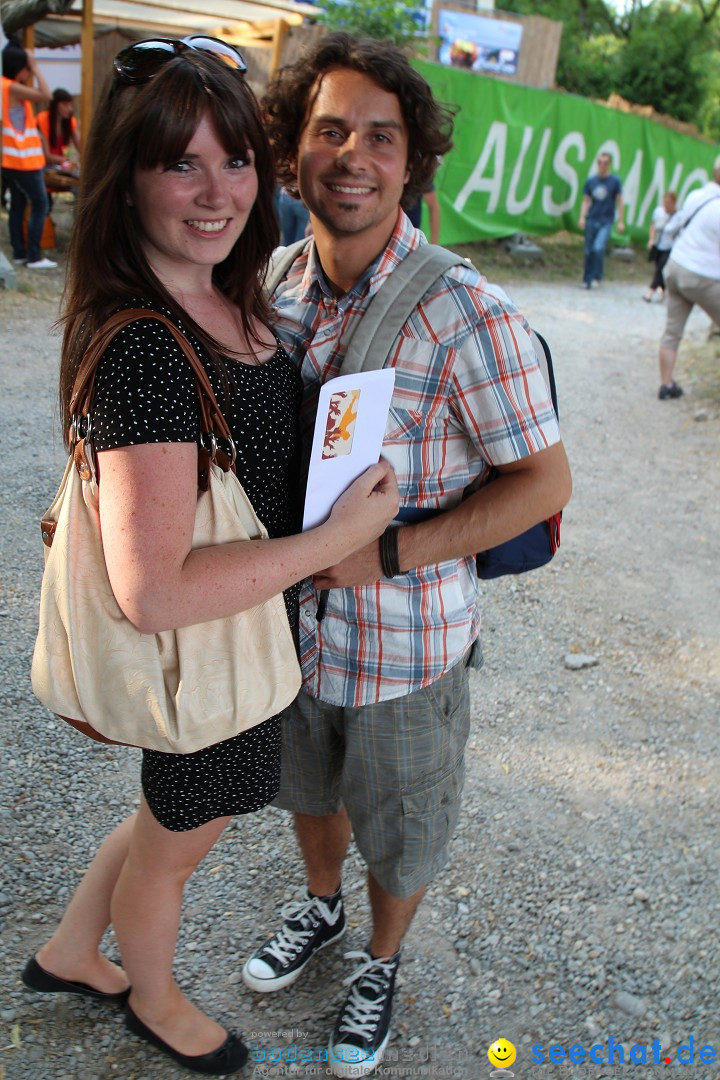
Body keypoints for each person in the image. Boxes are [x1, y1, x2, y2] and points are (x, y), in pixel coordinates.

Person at [21, 37, 398, 1077]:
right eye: (177, 162)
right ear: (125, 179)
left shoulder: (228, 297)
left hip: (245, 641)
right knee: (179, 841)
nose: (215, 190)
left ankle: (66, 951)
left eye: (233, 159)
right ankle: (153, 997)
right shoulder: (145, 343)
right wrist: (333, 542)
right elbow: (153, 594)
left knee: (163, 816)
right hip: (210, 658)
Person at [242, 32, 571, 1079]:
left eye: (380, 138)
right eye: (329, 129)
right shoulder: (272, 284)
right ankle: (323, 909)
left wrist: (390, 554)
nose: (353, 155)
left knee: (404, 821)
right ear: (294, 147)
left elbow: (546, 483)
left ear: (412, 163)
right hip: (285, 630)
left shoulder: (467, 310)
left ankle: (380, 959)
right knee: (307, 790)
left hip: (406, 643)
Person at [657, 162, 720, 400]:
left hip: (676, 267)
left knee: (672, 331)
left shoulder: (696, 195)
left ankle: (666, 384)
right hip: (701, 275)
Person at [1, 41, 56, 269]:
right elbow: (46, 95)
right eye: (26, 67)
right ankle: (34, 256)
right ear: (20, 67)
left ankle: (20, 253)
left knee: (17, 204)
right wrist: (36, 67)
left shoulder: (3, 86)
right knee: (40, 204)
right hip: (24, 160)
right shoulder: (11, 87)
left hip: (10, 159)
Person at [578, 151, 624, 289]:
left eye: (605, 162)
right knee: (588, 250)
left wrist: (621, 221)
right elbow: (586, 200)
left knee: (598, 247)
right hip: (592, 219)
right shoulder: (591, 181)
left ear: (609, 164)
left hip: (606, 220)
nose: (602, 165)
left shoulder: (614, 181)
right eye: (600, 162)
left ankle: (597, 275)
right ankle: (587, 279)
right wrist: (582, 217)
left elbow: (619, 201)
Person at [644, 190, 677, 302]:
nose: (666, 205)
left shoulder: (678, 216)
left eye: (669, 203)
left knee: (661, 267)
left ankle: (650, 291)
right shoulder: (658, 212)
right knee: (659, 267)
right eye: (665, 202)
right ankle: (663, 290)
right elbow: (653, 225)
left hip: (670, 247)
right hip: (658, 244)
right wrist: (651, 239)